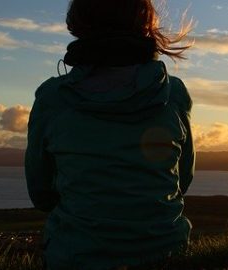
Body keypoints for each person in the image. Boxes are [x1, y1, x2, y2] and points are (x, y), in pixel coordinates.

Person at [24, 0, 195, 269]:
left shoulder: (53, 99)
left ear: (78, 23)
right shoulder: (172, 94)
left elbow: (41, 193)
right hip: (166, 255)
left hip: (76, 258)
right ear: (144, 22)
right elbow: (181, 181)